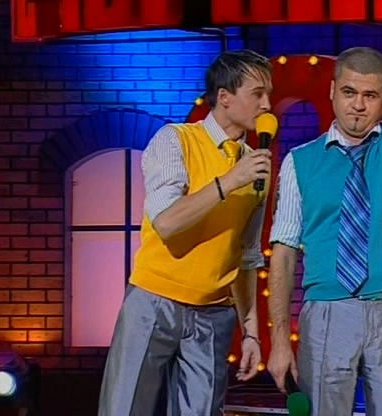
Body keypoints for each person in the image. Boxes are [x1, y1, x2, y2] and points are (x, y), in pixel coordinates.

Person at [266, 1, 382, 415]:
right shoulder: (299, 161)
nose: (358, 105)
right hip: (326, 312)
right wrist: (278, 342)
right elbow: (283, 254)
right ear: (332, 91)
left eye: (369, 95)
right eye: (349, 92)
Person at [98, 49, 273, 416]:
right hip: (154, 301)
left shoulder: (255, 166)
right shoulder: (175, 140)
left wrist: (251, 331)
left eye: (268, 95)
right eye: (257, 94)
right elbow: (166, 221)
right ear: (224, 97)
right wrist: (228, 182)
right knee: (126, 407)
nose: (267, 105)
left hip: (214, 312)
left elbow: (246, 255)